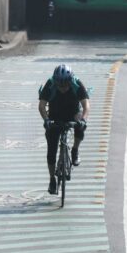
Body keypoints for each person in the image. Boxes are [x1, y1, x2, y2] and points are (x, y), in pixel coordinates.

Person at [38, 64, 90, 195]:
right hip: (55, 116)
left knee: (80, 126)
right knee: (51, 150)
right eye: (59, 85)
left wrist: (83, 119)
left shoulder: (77, 84)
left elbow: (86, 106)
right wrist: (46, 120)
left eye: (65, 84)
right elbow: (42, 105)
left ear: (70, 80)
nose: (62, 87)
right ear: (55, 81)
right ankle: (52, 180)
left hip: (72, 113)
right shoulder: (50, 84)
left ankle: (75, 150)